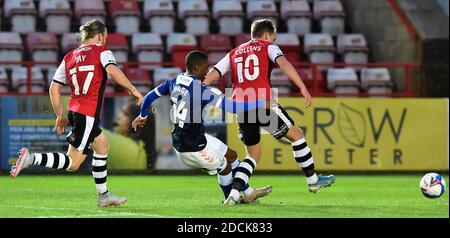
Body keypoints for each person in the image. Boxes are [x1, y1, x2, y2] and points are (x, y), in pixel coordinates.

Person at [10, 19, 144, 207]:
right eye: (104, 36)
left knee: (102, 147)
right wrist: (133, 90)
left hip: (76, 111)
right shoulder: (102, 52)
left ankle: (104, 195)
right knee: (73, 163)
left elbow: (53, 89)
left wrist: (60, 115)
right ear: (100, 36)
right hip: (87, 114)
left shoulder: (69, 56)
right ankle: (30, 158)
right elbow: (112, 70)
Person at [204, 19, 336, 205]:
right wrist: (302, 87)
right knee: (297, 135)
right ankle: (313, 180)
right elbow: (284, 64)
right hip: (262, 104)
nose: (273, 41)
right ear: (266, 35)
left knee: (253, 155)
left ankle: (234, 194)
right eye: (272, 38)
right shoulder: (268, 47)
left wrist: (199, 89)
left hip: (241, 108)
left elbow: (214, 73)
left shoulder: (234, 52)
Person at [132, 50, 272, 204]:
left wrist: (142, 116)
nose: (208, 72)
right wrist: (259, 103)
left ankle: (248, 193)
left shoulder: (173, 81)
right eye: (206, 67)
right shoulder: (202, 90)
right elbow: (232, 108)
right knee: (224, 166)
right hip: (192, 148)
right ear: (197, 68)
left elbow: (150, 96)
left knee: (231, 155)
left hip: (191, 139)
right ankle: (231, 200)